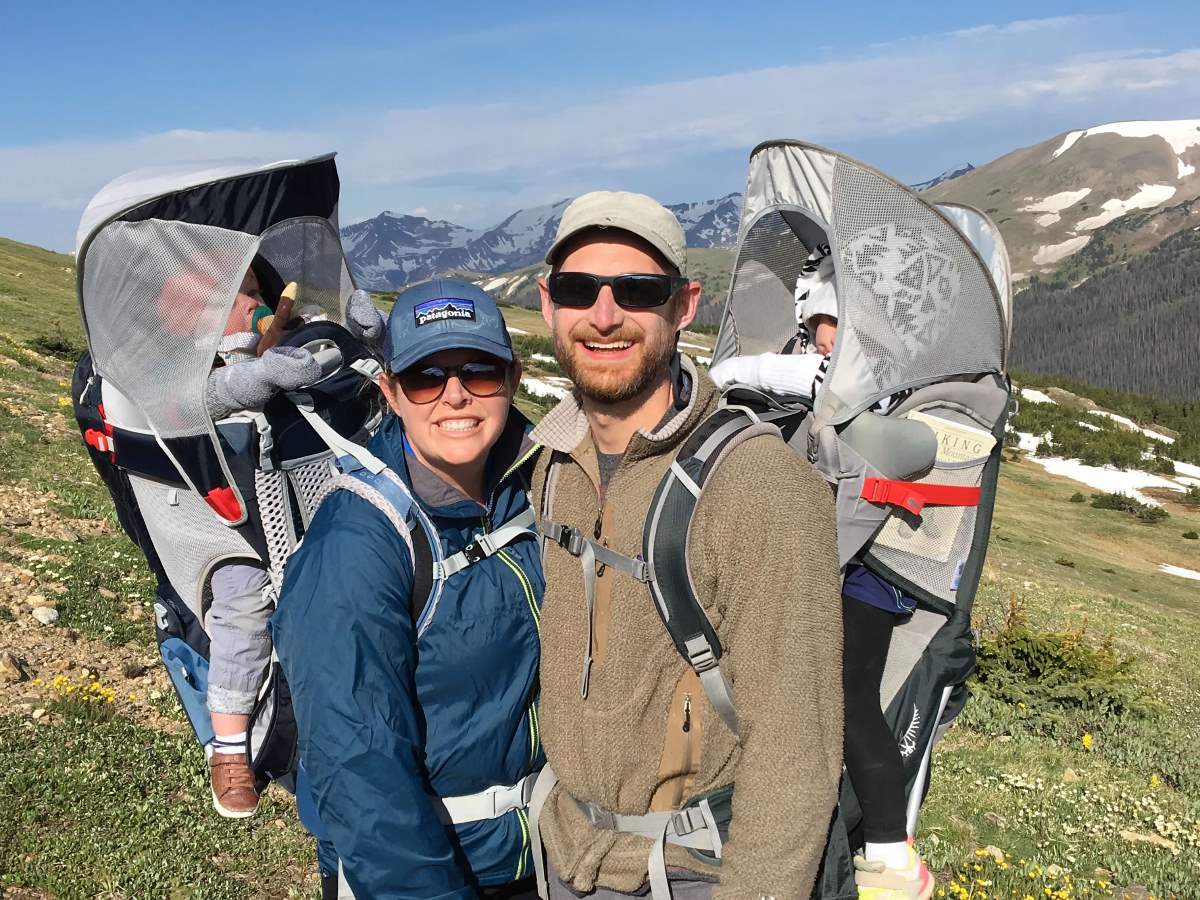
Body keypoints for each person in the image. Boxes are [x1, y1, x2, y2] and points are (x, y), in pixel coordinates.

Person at [528, 191, 843, 900]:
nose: (604, 315)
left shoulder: (760, 485)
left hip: (688, 874)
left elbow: (796, 753)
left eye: (638, 291)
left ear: (684, 304)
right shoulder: (551, 463)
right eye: (581, 289)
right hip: (566, 853)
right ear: (549, 303)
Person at [270, 278, 545, 899]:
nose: (454, 396)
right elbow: (357, 766)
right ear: (390, 393)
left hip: (540, 859)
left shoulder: (538, 489)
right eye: (426, 377)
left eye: (479, 371)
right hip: (428, 871)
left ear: (513, 378)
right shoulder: (360, 539)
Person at [710, 247, 934, 899]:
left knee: (848, 697)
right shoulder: (853, 369)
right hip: (851, 560)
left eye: (838, 322)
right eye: (825, 321)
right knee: (833, 695)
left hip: (867, 569)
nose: (827, 336)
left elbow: (757, 373)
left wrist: (748, 367)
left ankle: (890, 854)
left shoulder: (859, 377)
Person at [203, 259, 386, 820]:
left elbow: (338, 367)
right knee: (243, 603)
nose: (255, 303)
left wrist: (366, 339)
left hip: (306, 484)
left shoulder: (287, 335)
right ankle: (230, 746)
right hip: (232, 513)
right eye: (240, 297)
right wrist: (244, 380)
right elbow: (193, 404)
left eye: (257, 289)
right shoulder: (192, 364)